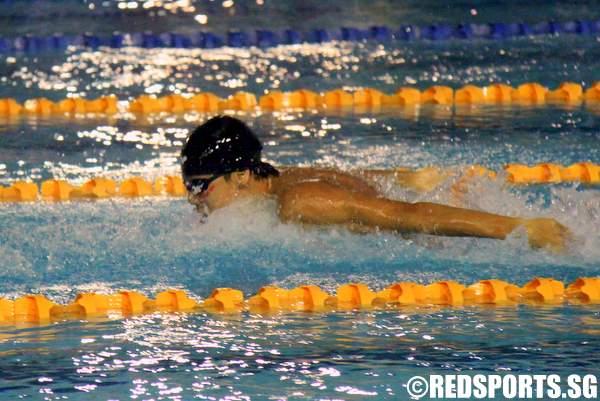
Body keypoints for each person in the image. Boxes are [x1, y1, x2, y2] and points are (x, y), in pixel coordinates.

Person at [181, 116, 571, 251]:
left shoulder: (298, 201)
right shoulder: (286, 179)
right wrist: (410, 179)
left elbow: (405, 215)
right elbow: (358, 184)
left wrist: (521, 229)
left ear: (241, 175)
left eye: (200, 186)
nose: (192, 199)